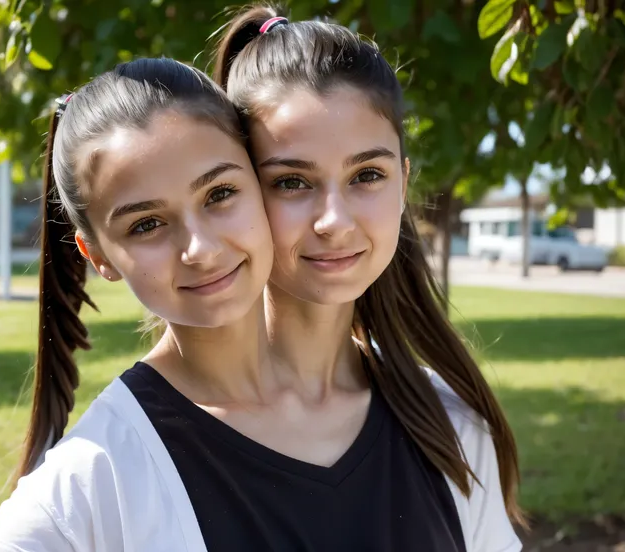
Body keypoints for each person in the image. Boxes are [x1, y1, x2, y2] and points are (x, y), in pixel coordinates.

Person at [211, 6, 526, 552]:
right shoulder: (131, 451)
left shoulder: (450, 426)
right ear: (234, 193)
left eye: (367, 175)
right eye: (291, 182)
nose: (335, 220)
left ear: (403, 182)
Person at [0, 57, 276, 550]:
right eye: (146, 224)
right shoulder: (94, 474)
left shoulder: (418, 401)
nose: (201, 249)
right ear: (99, 256)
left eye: (220, 193)